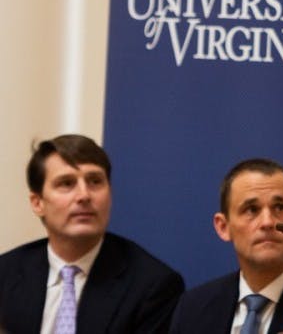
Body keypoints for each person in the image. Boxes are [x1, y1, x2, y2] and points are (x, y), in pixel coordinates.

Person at [0, 134, 184, 333]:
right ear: (38, 203)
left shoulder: (152, 286)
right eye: (66, 183)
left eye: (95, 181)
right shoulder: (6, 274)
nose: (84, 195)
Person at [168, 158, 283, 334]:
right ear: (223, 226)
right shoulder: (193, 307)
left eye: (279, 207)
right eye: (251, 209)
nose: (268, 222)